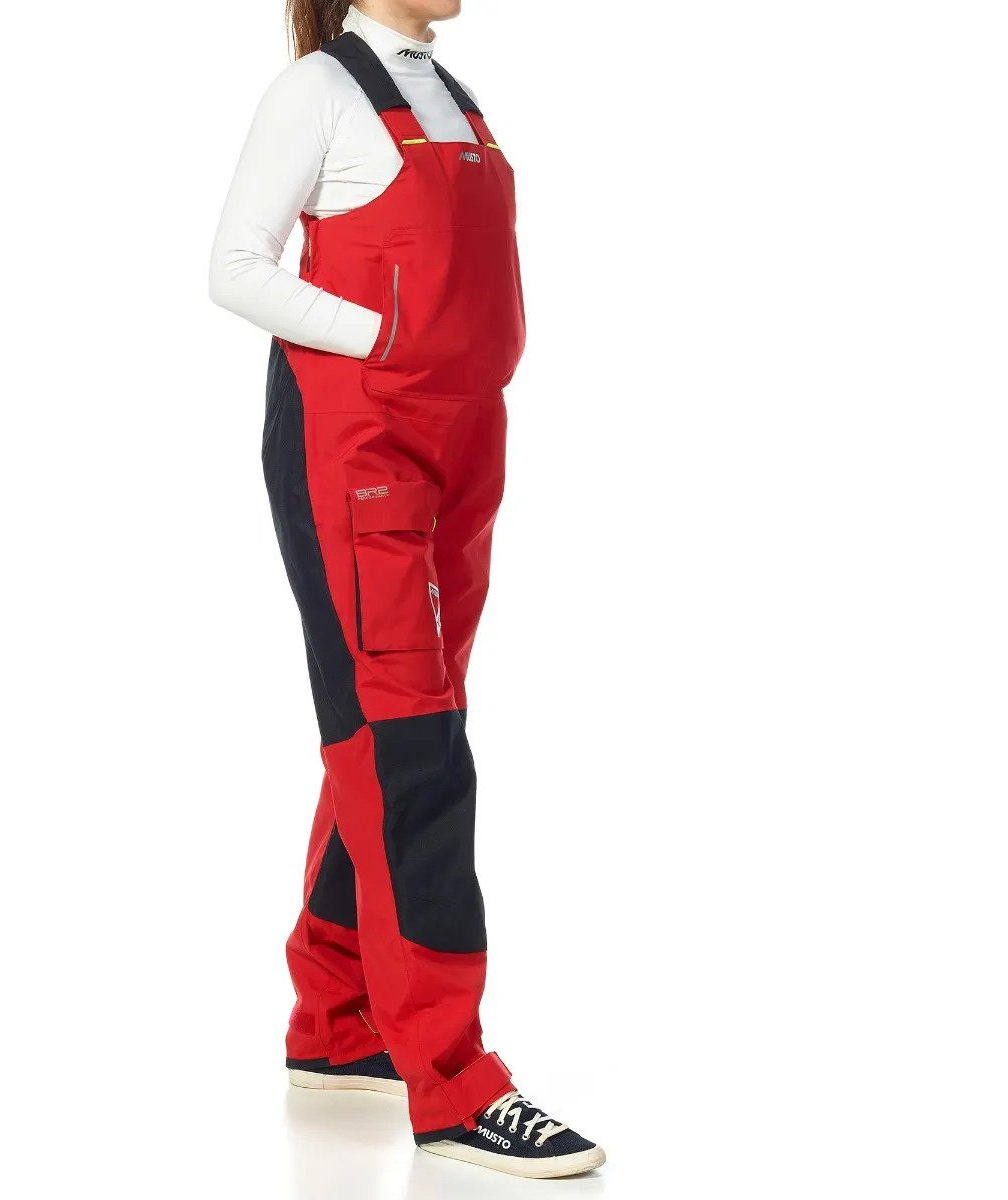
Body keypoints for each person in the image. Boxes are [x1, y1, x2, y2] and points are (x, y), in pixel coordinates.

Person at [209, 1, 605, 1179]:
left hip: (461, 443)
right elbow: (234, 267)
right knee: (410, 744)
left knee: (399, 736)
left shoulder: (452, 97)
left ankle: (338, 1022)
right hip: (361, 449)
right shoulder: (319, 91)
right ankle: (454, 1079)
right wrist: (385, 338)